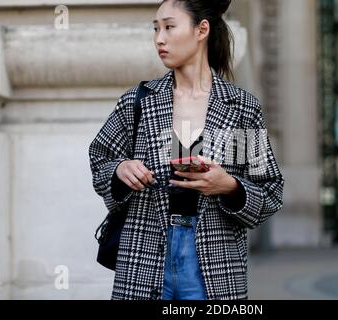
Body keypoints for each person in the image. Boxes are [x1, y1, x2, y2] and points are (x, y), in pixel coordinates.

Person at [88, 0, 285, 300]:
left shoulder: (241, 108)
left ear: (201, 30)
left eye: (169, 27)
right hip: (144, 258)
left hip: (214, 263)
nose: (159, 38)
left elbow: (269, 192)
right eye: (155, 29)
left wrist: (229, 186)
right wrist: (119, 169)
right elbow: (99, 159)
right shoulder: (138, 101)